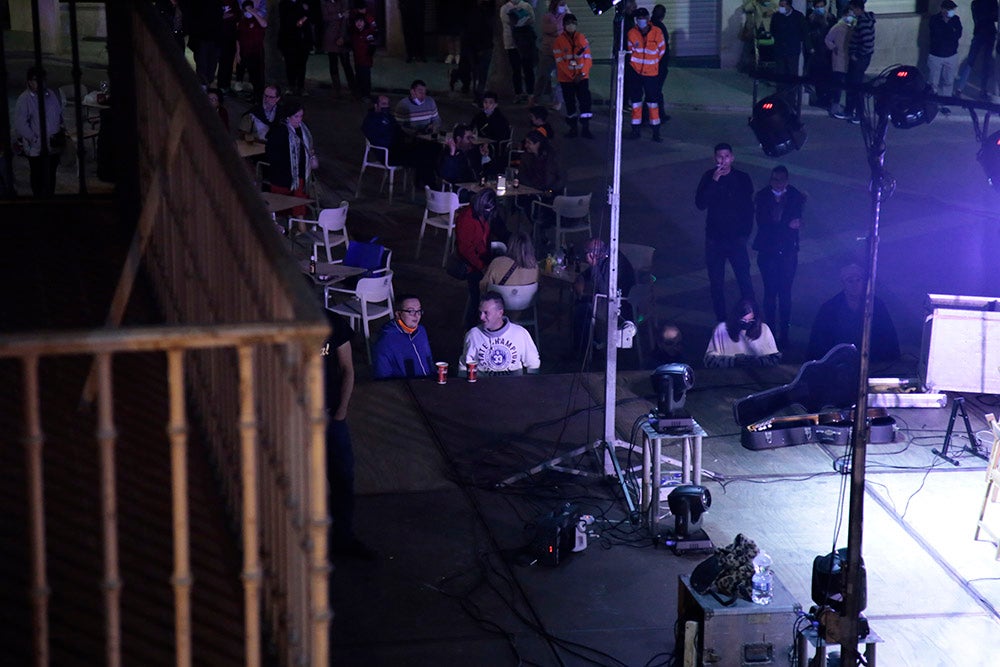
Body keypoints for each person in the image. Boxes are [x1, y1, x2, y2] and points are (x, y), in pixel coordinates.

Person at [320, 309, 376, 559]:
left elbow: (347, 369)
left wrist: (340, 412)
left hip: (330, 415)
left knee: (342, 477)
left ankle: (342, 538)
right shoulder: (283, 327)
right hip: (296, 418)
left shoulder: (333, 322)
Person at [695, 143, 756, 323]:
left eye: (726, 156)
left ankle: (752, 319)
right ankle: (721, 321)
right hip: (714, 239)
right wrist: (714, 181)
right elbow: (700, 204)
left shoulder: (742, 178)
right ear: (715, 158)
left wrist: (745, 234)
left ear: (732, 157)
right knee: (716, 283)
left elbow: (749, 208)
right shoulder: (708, 177)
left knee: (744, 280)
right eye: (720, 157)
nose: (723, 161)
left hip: (736, 239)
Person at [752, 165, 805, 349]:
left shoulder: (796, 196)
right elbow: (764, 223)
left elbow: (797, 222)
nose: (778, 183)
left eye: (781, 180)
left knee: (784, 293)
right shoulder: (762, 196)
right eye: (774, 180)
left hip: (787, 251)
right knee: (770, 292)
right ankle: (771, 333)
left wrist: (791, 226)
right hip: (769, 251)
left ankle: (784, 334)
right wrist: (787, 226)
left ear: (786, 181)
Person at [807, 263, 900, 364]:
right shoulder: (829, 309)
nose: (855, 285)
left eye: (858, 280)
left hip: (872, 363)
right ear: (843, 283)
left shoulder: (877, 306)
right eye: (850, 281)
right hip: (838, 365)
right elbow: (818, 343)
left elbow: (888, 338)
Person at [571, 238, 636, 360]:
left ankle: (582, 354)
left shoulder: (613, 263)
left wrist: (594, 266)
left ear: (593, 254)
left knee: (582, 310)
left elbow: (605, 290)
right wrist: (581, 278)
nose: (585, 256)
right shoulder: (603, 256)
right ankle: (588, 345)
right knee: (581, 302)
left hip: (619, 305)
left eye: (586, 252)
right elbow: (587, 274)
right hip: (607, 299)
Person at [459, 291, 541, 376]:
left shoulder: (520, 334)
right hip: (483, 387)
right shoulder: (473, 335)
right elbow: (464, 367)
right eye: (480, 312)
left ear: (500, 313)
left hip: (513, 387)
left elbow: (533, 363)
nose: (481, 317)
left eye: (486, 313)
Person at [13, 66, 65, 198]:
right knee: (38, 176)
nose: (42, 83)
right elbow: (20, 124)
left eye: (43, 79)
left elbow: (58, 113)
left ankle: (50, 198)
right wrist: (34, 139)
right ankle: (39, 200)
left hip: (53, 144)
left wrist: (61, 129)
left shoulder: (51, 94)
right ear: (29, 81)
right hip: (36, 148)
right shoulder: (24, 100)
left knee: (51, 174)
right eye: (37, 80)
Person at [265, 97, 317, 217]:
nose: (300, 120)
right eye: (296, 116)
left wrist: (311, 156)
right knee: (296, 188)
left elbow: (306, 149)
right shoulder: (279, 131)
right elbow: (273, 157)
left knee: (300, 186)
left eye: (301, 116)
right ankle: (296, 223)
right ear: (288, 116)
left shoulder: (303, 130)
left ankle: (300, 223)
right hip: (283, 176)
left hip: (299, 175)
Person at [455, 188, 499, 328]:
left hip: (481, 258)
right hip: (470, 264)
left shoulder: (482, 214)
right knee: (477, 298)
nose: (489, 211)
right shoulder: (466, 218)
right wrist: (482, 267)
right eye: (487, 209)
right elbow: (465, 250)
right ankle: (472, 327)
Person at [626, 8, 667, 142]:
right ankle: (635, 130)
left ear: (648, 18)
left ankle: (656, 132)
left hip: (651, 73)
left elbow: (662, 50)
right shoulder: (632, 33)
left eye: (643, 17)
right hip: (636, 73)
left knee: (652, 104)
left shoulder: (657, 32)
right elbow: (630, 51)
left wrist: (652, 64)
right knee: (636, 103)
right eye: (639, 18)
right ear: (636, 20)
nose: (642, 20)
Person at [704, 300, 782, 368]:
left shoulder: (764, 329)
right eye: (743, 320)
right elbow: (710, 361)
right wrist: (734, 362)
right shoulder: (722, 329)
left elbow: (775, 358)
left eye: (750, 321)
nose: (746, 324)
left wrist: (756, 362)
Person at [372, 295, 434, 379]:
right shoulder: (386, 341)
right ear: (398, 314)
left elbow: (429, 361)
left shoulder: (421, 331)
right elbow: (382, 377)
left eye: (419, 311)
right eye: (411, 311)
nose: (416, 316)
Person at [553, 14, 594, 139]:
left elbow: (588, 59)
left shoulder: (582, 39)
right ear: (564, 25)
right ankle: (573, 128)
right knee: (570, 104)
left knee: (585, 102)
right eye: (568, 23)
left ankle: (586, 128)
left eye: (573, 22)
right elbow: (560, 62)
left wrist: (581, 74)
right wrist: (572, 76)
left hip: (582, 78)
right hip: (567, 79)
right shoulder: (558, 42)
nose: (571, 25)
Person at [454, 0, 496, 101]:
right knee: (477, 70)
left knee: (480, 71)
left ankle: (478, 91)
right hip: (475, 44)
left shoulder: (486, 9)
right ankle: (477, 91)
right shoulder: (473, 10)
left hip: (482, 44)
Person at [956, 0, 998, 99]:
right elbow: (992, 17)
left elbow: (989, 17)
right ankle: (977, 91)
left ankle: (961, 89)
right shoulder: (983, 2)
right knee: (977, 62)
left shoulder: (979, 2)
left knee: (976, 62)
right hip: (985, 33)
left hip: (983, 33)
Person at [843, 0, 876, 124]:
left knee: (856, 86)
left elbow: (867, 42)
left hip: (860, 59)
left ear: (858, 9)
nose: (851, 11)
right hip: (860, 58)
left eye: (852, 9)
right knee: (852, 84)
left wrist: (857, 55)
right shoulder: (861, 20)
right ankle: (850, 110)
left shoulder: (863, 22)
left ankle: (860, 114)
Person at [928, 0, 962, 114]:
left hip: (951, 55)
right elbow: (937, 35)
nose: (951, 12)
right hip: (936, 55)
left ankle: (945, 105)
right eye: (949, 9)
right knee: (933, 82)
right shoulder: (934, 20)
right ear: (943, 9)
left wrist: (949, 32)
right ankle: (932, 104)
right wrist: (950, 31)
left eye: (952, 9)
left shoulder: (956, 19)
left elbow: (958, 35)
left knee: (948, 81)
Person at [501, 0, 537, 104]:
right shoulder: (504, 8)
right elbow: (507, 21)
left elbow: (532, 19)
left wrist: (523, 18)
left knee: (528, 69)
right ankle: (518, 93)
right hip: (511, 43)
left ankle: (531, 93)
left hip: (525, 42)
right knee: (515, 70)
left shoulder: (526, 6)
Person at [278, 0, 315, 97]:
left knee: (302, 64)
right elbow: (285, 20)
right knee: (290, 63)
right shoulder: (283, 4)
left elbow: (313, 15)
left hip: (303, 39)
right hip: (288, 39)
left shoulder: (304, 3)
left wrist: (304, 16)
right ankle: (291, 86)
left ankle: (301, 87)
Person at [233, 1, 268, 101]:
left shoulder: (257, 20)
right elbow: (238, 38)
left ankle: (259, 96)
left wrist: (253, 12)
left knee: (259, 75)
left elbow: (264, 24)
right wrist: (238, 53)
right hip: (245, 52)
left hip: (257, 52)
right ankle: (255, 95)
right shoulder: (242, 22)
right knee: (252, 75)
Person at [320, 0, 356, 97]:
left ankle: (353, 88)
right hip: (330, 37)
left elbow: (345, 19)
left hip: (341, 35)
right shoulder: (324, 2)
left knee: (346, 63)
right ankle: (336, 89)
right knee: (333, 63)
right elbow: (325, 17)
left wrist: (342, 36)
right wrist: (339, 15)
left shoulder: (343, 2)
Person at [538, 0, 569, 111]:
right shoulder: (547, 16)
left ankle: (558, 101)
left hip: (562, 51)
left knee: (562, 77)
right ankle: (537, 99)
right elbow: (552, 30)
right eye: (561, 4)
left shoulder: (566, 15)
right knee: (543, 76)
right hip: (548, 51)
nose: (563, 6)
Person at [805, 0, 836, 108]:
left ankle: (827, 99)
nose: (820, 9)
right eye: (818, 6)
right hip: (817, 52)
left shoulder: (830, 18)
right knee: (818, 77)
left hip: (827, 52)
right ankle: (820, 98)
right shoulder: (810, 19)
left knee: (828, 76)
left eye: (821, 6)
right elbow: (808, 34)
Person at [825, 7, 854, 118]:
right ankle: (835, 106)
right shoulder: (837, 27)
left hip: (847, 59)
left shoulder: (852, 27)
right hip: (839, 60)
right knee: (838, 84)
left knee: (846, 84)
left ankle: (845, 107)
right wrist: (834, 48)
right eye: (850, 14)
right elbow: (828, 39)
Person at [770, 0, 806, 84]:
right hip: (779, 50)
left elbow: (803, 32)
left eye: (783, 6)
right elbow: (773, 30)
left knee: (792, 75)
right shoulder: (776, 16)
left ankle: (792, 96)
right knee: (780, 75)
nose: (781, 8)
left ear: (789, 5)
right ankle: (780, 95)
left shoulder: (798, 16)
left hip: (792, 50)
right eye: (780, 6)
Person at [519, 130, 564, 194]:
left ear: (537, 144)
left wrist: (550, 190)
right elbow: (522, 175)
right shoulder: (526, 157)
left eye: (529, 143)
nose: (526, 145)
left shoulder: (553, 157)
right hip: (531, 191)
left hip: (551, 192)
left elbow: (561, 177)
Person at [349, 11, 377, 100]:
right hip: (357, 60)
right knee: (359, 77)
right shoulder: (354, 34)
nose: (359, 23)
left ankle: (366, 95)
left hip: (365, 61)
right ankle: (360, 94)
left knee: (365, 78)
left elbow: (372, 46)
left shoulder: (368, 33)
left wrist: (368, 55)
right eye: (357, 22)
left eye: (361, 21)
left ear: (364, 22)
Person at [651, 5, 671, 113]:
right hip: (658, 65)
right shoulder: (660, 28)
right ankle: (656, 114)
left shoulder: (649, 26)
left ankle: (659, 113)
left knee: (655, 90)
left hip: (650, 65)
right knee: (656, 91)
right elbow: (663, 48)